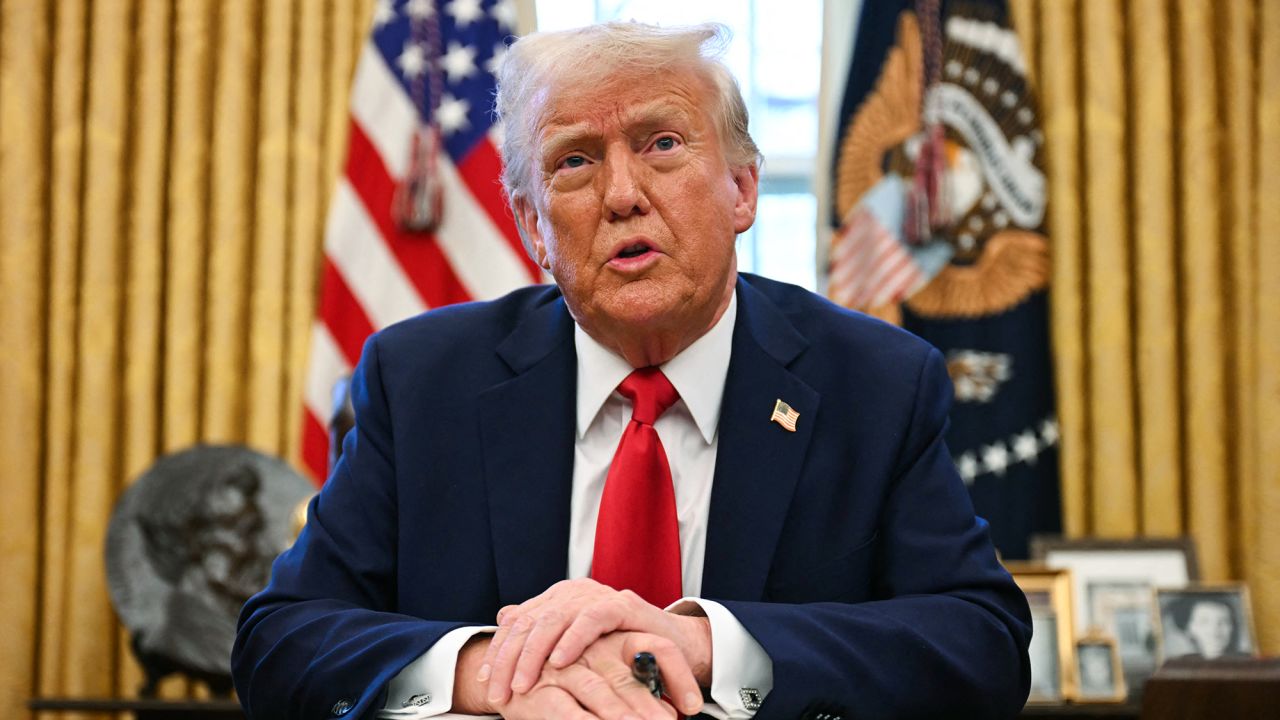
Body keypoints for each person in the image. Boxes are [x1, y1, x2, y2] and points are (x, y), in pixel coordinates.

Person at [232, 21, 1031, 720]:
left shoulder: (875, 382)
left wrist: (701, 641)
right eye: (574, 162)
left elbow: (982, 645)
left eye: (663, 144)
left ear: (743, 188)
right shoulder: (421, 380)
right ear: (532, 228)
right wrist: (489, 674)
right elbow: (280, 641)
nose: (621, 194)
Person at [1166, 596, 1242, 660]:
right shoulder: (1177, 666)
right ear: (1188, 629)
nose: (1215, 630)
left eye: (1224, 621)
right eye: (1204, 622)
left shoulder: (1245, 663)